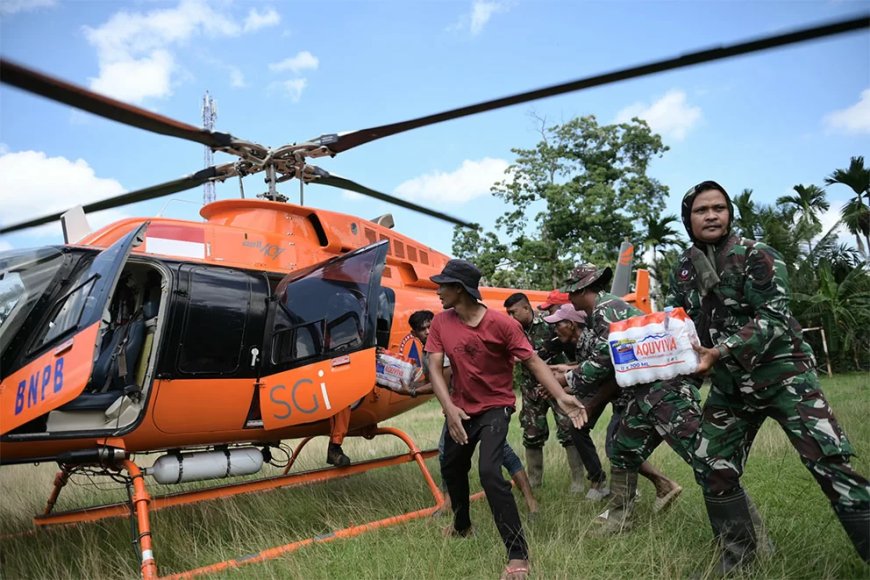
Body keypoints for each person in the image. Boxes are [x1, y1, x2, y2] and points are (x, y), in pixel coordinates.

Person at [666, 180, 870, 571]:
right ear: (688, 218)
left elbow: (774, 318)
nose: (711, 215)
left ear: (729, 214)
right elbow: (682, 324)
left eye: (719, 208)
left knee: (829, 463)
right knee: (713, 467)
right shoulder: (684, 270)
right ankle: (738, 563)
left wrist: (720, 351)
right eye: (701, 210)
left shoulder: (757, 255)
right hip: (730, 385)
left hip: (783, 375)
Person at [426, 259, 587, 580]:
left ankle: (517, 555)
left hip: (495, 407)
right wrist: (449, 409)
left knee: (488, 470)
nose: (438, 291)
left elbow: (533, 362)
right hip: (460, 408)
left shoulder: (502, 325)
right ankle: (462, 526)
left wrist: (561, 395)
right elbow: (434, 367)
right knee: (451, 467)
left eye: (443, 285)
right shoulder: (441, 322)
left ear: (459, 289)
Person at [559, 264, 703, 534]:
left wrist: (568, 381)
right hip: (644, 391)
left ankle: (745, 533)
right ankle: (619, 520)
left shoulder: (604, 310)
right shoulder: (603, 310)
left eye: (571, 291)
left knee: (705, 459)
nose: (569, 298)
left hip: (666, 390)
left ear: (581, 289)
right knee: (623, 450)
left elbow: (604, 358)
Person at [396, 310, 539, 516]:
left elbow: (441, 383)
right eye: (422, 329)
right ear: (414, 333)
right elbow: (434, 381)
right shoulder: (428, 351)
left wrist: (411, 391)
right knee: (455, 455)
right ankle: (455, 507)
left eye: (430, 326)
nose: (427, 331)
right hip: (458, 408)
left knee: (493, 454)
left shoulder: (440, 349)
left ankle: (527, 499)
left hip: (470, 407)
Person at [546, 303, 683, 513]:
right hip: (617, 397)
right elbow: (591, 374)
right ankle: (607, 485)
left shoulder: (592, 340)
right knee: (584, 431)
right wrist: (564, 380)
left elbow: (610, 379)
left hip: (627, 397)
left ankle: (656, 487)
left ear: (571, 325)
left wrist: (583, 400)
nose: (555, 330)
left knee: (617, 446)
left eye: (558, 325)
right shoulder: (582, 345)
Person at [504, 293, 601, 496]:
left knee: (568, 431)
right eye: (508, 313)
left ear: (526, 308)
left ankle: (578, 481)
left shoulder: (551, 323)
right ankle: (534, 481)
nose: (511, 316)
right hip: (531, 390)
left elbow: (566, 349)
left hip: (559, 386)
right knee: (532, 434)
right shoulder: (511, 329)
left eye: (513, 312)